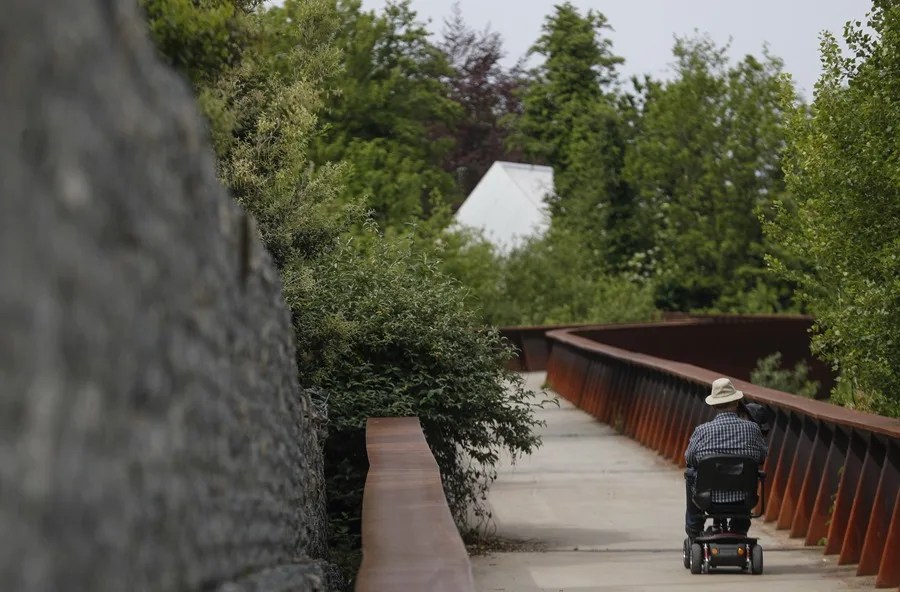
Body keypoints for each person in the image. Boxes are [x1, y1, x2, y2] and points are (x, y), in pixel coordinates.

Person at [684, 377, 768, 539]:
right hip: (743, 498)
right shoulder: (752, 429)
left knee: (690, 473)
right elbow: (762, 455)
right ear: (736, 403)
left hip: (708, 498)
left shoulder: (702, 431)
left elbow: (689, 458)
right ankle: (740, 528)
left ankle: (694, 529)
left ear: (714, 405)